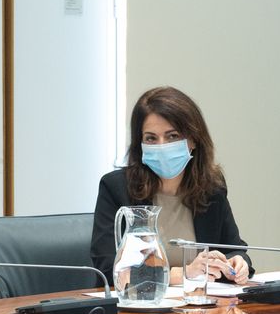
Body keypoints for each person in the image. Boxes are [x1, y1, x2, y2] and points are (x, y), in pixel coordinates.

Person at [89, 86, 251, 290]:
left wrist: (237, 263)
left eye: (172, 136)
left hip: (198, 313)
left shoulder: (211, 189)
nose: (162, 145)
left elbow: (235, 249)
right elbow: (109, 270)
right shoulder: (116, 188)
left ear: (193, 139)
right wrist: (184, 273)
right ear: (140, 144)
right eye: (151, 138)